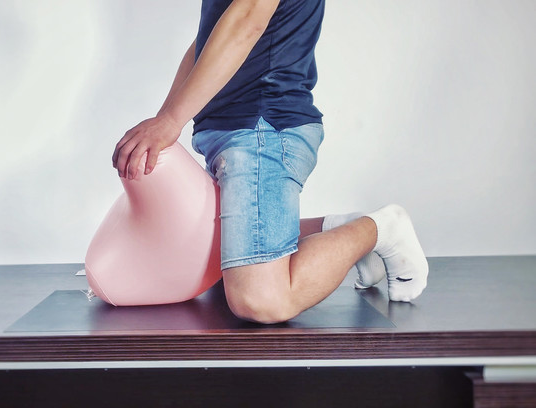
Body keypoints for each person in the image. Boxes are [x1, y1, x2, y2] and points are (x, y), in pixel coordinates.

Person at [112, 0, 428, 324]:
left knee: (260, 298)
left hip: (262, 128)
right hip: (229, 131)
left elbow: (247, 19)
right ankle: (342, 230)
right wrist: (165, 120)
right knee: (213, 256)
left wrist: (170, 120)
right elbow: (208, 40)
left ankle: (382, 228)